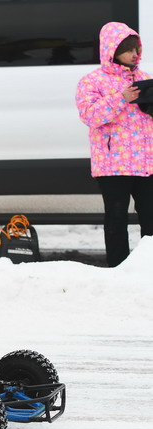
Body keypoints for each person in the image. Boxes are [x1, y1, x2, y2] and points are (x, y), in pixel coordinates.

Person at [76, 22, 153, 267]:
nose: (134, 54)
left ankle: (147, 267)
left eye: (136, 49)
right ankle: (119, 269)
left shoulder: (145, 78)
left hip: (146, 163)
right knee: (117, 220)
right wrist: (122, 98)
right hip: (113, 164)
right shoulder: (92, 81)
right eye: (128, 49)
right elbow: (90, 116)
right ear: (112, 49)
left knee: (151, 220)